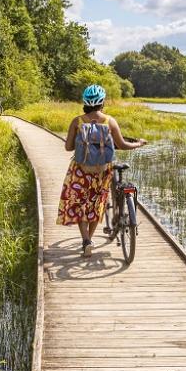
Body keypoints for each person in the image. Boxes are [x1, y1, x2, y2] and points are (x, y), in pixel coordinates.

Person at [57, 84, 146, 256]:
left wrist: (76, 141)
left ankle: (86, 241)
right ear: (102, 102)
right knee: (96, 206)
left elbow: (68, 148)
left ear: (85, 102)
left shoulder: (77, 121)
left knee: (80, 205)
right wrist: (139, 143)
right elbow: (122, 145)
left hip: (81, 172)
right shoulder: (109, 121)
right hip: (103, 172)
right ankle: (89, 240)